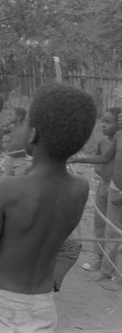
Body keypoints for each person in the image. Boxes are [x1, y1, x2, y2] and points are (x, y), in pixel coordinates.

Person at [0, 83, 96, 332]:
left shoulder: (7, 188)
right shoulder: (80, 189)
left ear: (32, 134)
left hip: (2, 306)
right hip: (43, 307)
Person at [69, 108, 122, 290]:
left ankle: (112, 269)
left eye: (109, 122)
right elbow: (103, 159)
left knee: (112, 230)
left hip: (116, 190)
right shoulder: (108, 140)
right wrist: (77, 160)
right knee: (100, 225)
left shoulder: (119, 138)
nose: (104, 125)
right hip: (106, 187)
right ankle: (100, 260)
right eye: (103, 121)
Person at [2, 107, 28, 176]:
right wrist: (5, 124)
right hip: (9, 157)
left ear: (19, 117)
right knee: (7, 176)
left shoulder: (25, 128)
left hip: (20, 159)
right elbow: (0, 132)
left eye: (11, 115)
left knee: (18, 176)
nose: (8, 117)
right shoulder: (11, 128)